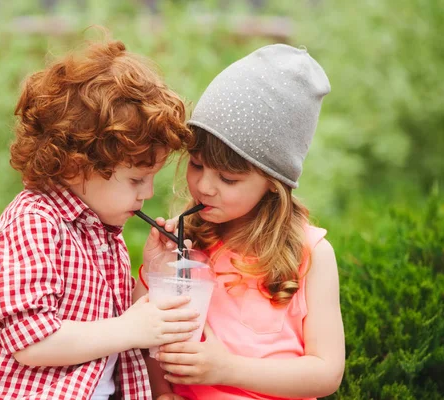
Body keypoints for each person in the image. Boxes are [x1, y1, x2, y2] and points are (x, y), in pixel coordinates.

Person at [0, 38, 201, 400]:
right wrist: (130, 328)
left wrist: (154, 274)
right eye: (135, 179)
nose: (147, 194)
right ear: (76, 165)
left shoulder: (102, 234)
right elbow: (32, 343)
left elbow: (115, 324)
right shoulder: (34, 221)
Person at [135, 44, 346, 400]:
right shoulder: (187, 243)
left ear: (273, 183)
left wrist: (227, 369)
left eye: (228, 179)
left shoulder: (311, 255)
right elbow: (146, 334)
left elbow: (326, 373)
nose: (204, 186)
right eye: (197, 164)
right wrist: (156, 269)